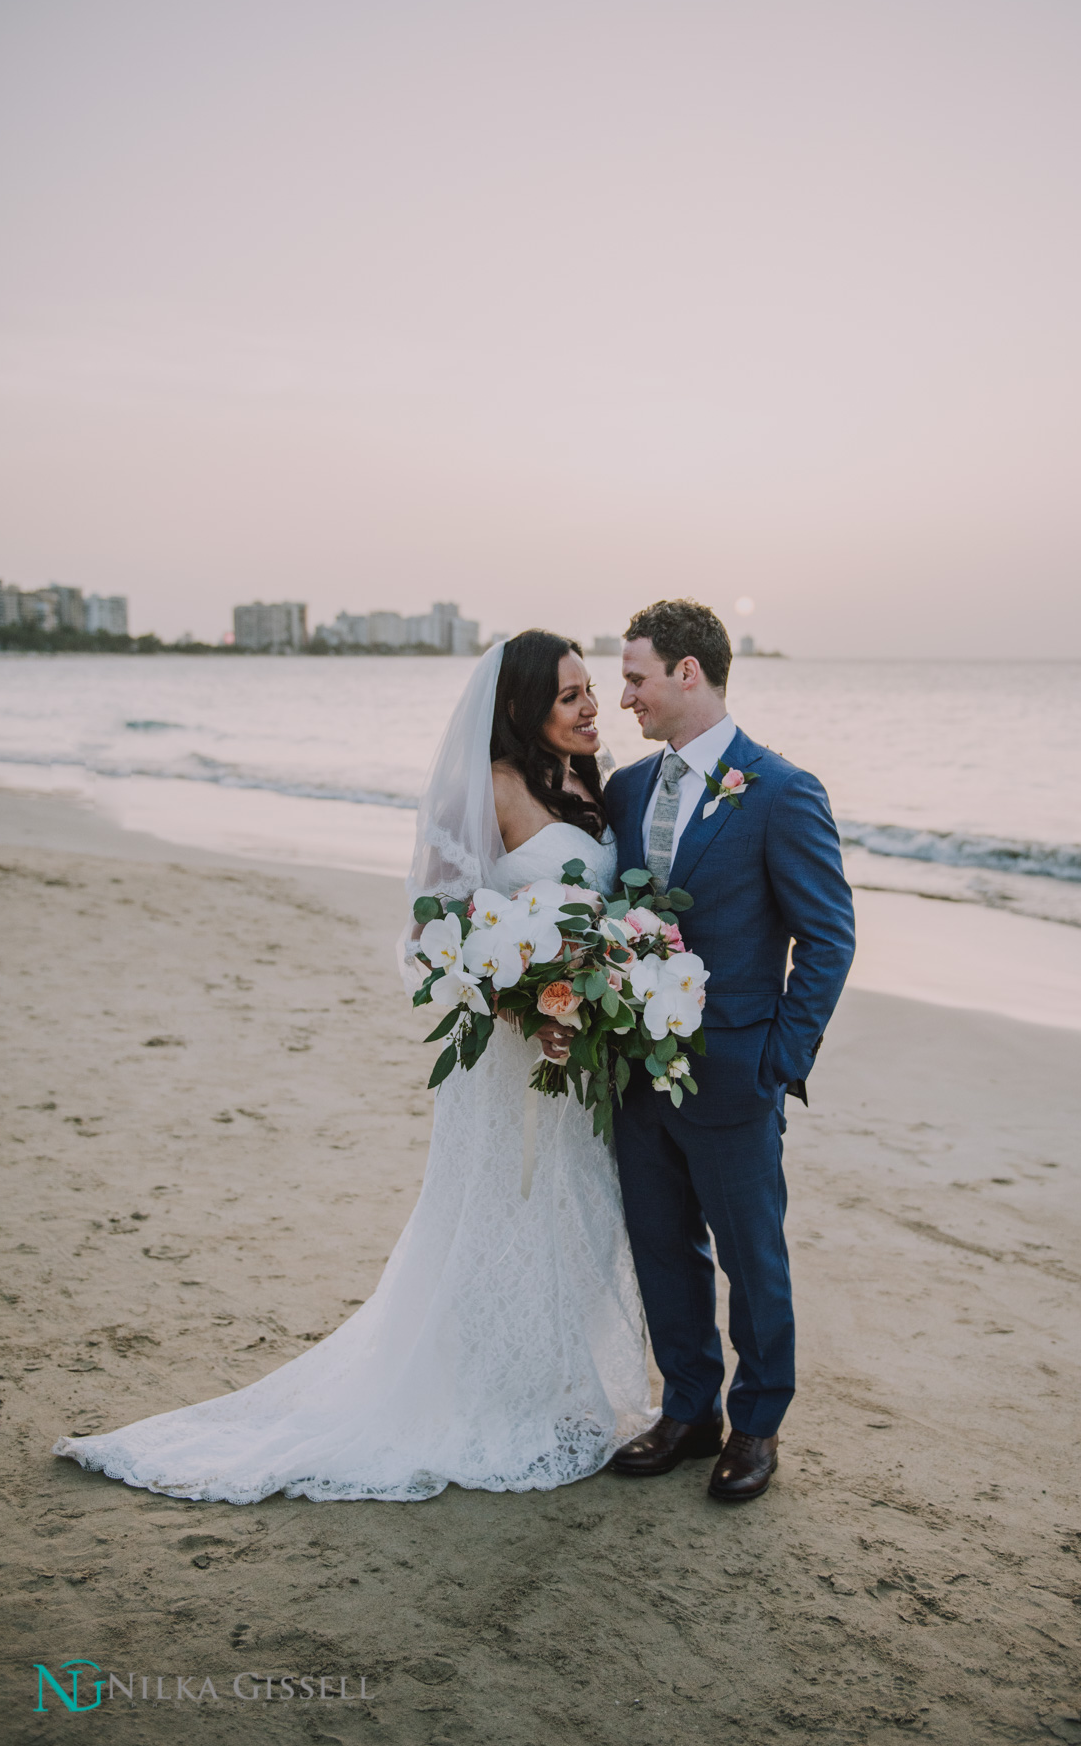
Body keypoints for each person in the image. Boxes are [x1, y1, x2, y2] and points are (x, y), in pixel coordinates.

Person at [53, 632, 654, 1503]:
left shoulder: (587, 785)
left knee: (578, 1214)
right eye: (569, 696)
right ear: (522, 708)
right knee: (499, 1213)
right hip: (510, 1058)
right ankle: (482, 1395)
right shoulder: (490, 788)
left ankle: (555, 1389)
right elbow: (433, 936)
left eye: (593, 688)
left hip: (578, 1051)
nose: (591, 706)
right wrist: (524, 996)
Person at [599, 598, 855, 1502]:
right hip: (635, 1067)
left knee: (752, 1256)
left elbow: (827, 939)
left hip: (736, 1070)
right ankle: (687, 1410)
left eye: (633, 676)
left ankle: (755, 1426)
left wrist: (776, 1061)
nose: (621, 694)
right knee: (660, 1245)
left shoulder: (781, 791)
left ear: (687, 673)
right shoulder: (627, 789)